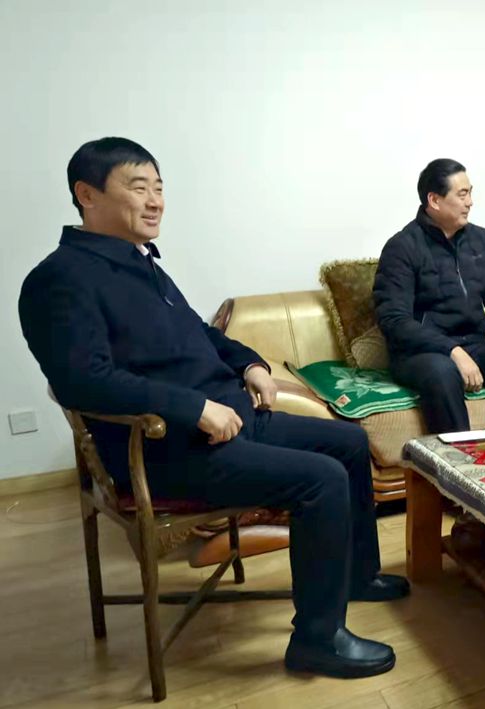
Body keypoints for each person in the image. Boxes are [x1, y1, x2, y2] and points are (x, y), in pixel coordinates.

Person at [19, 137, 407, 679]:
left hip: (227, 423)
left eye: (159, 188)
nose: (155, 201)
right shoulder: (58, 279)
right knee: (319, 479)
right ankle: (318, 640)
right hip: (163, 451)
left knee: (347, 441)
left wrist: (250, 364)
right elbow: (84, 381)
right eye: (138, 187)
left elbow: (201, 336)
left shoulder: (140, 264)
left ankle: (355, 576)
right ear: (87, 195)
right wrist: (193, 407)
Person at [373, 159, 485, 433]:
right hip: (421, 353)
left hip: (472, 342)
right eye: (462, 195)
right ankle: (458, 456)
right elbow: (394, 321)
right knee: (443, 371)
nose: (470, 202)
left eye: (470, 193)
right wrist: (452, 350)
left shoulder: (479, 239)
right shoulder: (402, 247)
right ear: (434, 200)